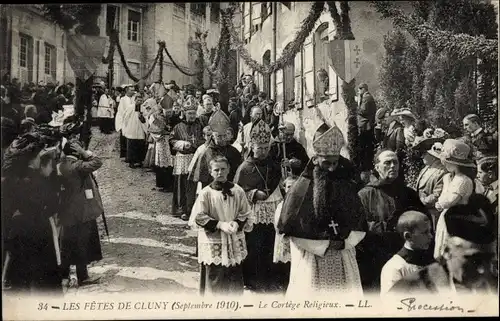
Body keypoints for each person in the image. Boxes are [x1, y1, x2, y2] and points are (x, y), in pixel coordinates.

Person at [278, 123, 366, 296]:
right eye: (327, 163)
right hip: (312, 258)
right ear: (316, 159)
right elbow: (291, 230)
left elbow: (359, 222)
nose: (332, 168)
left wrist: (345, 243)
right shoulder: (301, 189)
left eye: (335, 162)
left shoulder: (345, 185)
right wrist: (324, 245)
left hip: (344, 255)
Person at [389, 196, 497, 295]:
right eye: (474, 259)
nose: (483, 270)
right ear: (447, 252)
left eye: (489, 260)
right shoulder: (410, 290)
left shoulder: (494, 285)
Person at [357, 149, 427, 293]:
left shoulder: (409, 194)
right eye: (387, 163)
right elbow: (358, 226)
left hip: (404, 256)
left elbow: (423, 221)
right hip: (375, 255)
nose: (392, 166)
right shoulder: (365, 195)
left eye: (395, 162)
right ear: (377, 167)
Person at [2, 134, 62, 294]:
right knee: (43, 283)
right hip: (38, 233)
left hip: (17, 234)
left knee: (21, 283)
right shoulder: (37, 181)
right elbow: (53, 206)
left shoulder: (11, 178)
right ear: (33, 158)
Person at [188, 156, 253, 296]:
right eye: (216, 170)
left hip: (233, 237)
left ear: (229, 170)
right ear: (211, 172)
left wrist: (237, 222)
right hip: (214, 239)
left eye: (223, 169)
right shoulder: (206, 193)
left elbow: (245, 212)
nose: (220, 173)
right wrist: (219, 224)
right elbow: (198, 216)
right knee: (215, 274)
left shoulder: (238, 190)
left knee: (234, 274)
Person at [234, 120, 283, 293]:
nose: (263, 151)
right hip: (254, 212)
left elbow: (280, 184)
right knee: (254, 245)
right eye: (259, 148)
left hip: (272, 210)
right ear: (252, 147)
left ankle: (271, 278)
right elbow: (237, 192)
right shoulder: (245, 167)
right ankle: (253, 280)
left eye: (266, 148)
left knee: (270, 244)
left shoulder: (274, 165)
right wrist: (253, 193)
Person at [57, 139, 103, 287]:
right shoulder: (78, 166)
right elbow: (97, 162)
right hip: (81, 212)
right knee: (81, 244)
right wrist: (85, 153)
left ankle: (63, 276)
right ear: (76, 152)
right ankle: (82, 277)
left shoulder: (60, 166)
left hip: (65, 211)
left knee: (66, 244)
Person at [434, 139, 476, 260]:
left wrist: (440, 203)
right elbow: (442, 199)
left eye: (448, 161)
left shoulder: (463, 180)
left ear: (458, 164)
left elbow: (448, 201)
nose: (444, 163)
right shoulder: (449, 177)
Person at [380, 210, 434, 294]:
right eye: (425, 232)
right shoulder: (395, 267)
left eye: (430, 231)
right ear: (408, 236)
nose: (430, 236)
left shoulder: (431, 262)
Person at [169, 99, 204, 220]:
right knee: (182, 184)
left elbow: (204, 139)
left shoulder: (200, 126)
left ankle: (193, 209)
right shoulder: (178, 126)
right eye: (190, 113)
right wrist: (182, 144)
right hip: (183, 159)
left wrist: (195, 145)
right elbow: (171, 140)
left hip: (195, 157)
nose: (192, 116)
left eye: (194, 113)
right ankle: (182, 209)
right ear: (185, 113)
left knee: (194, 185)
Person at [189, 110, 241, 189]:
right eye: (219, 136)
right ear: (213, 136)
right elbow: (201, 179)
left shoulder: (234, 151)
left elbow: (239, 175)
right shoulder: (206, 153)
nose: (223, 139)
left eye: (224, 136)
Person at [413, 141, 448, 229]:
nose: (422, 156)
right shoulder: (426, 168)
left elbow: (437, 195)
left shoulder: (442, 172)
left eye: (425, 154)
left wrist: (422, 201)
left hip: (433, 213)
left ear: (433, 156)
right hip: (421, 209)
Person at [122, 94, 147, 168]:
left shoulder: (143, 108)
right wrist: (126, 127)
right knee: (131, 146)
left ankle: (139, 161)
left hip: (140, 129)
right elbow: (125, 117)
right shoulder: (130, 107)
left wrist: (142, 117)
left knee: (140, 145)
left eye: (141, 100)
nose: (139, 102)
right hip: (131, 128)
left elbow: (145, 118)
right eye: (138, 100)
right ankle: (131, 162)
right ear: (135, 100)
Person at [357, 83, 377, 172]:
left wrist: (356, 106)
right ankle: (367, 167)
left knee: (364, 147)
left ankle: (366, 168)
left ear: (364, 89)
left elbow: (363, 111)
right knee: (367, 147)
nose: (359, 92)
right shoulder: (368, 97)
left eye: (360, 89)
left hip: (365, 126)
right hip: (367, 125)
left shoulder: (366, 97)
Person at [115, 84, 136, 159]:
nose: (133, 91)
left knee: (131, 138)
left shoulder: (135, 98)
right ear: (127, 91)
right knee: (124, 137)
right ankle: (124, 154)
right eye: (131, 90)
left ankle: (130, 155)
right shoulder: (123, 99)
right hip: (125, 120)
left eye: (133, 90)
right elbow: (121, 111)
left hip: (133, 120)